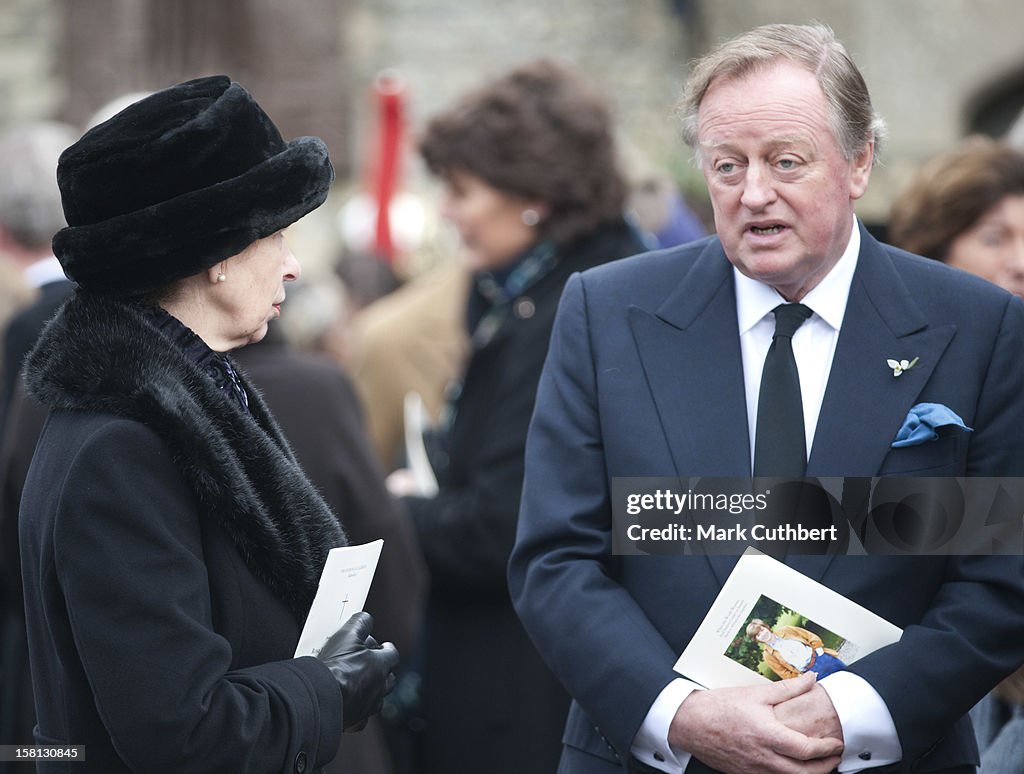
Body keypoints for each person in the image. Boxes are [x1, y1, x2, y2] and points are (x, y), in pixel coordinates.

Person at [508, 23, 1024, 774]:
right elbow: (557, 558)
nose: (754, 194)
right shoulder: (608, 313)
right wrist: (680, 712)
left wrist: (853, 710)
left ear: (858, 163)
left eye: (786, 162)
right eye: (727, 166)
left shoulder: (978, 326)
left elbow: (999, 574)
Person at [18, 76, 399, 773]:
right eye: (277, 235)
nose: (292, 267)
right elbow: (178, 728)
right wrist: (325, 690)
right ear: (218, 256)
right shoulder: (123, 447)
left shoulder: (175, 400)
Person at [384, 58, 649, 774]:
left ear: (532, 193)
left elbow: (504, 528)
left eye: (462, 189)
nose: (447, 209)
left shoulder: (570, 311)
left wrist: (396, 514)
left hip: (525, 698)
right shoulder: (527, 293)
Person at [888, 134, 1024, 774]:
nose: (1020, 261)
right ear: (934, 253)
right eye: (994, 238)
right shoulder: (886, 374)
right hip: (932, 667)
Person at [743, 620, 845, 681]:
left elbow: (809, 636)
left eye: (761, 630)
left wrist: (820, 652)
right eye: (758, 635)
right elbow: (784, 673)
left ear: (766, 627)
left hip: (822, 658)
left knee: (848, 674)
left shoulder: (786, 630)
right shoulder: (768, 655)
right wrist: (803, 677)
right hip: (811, 673)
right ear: (756, 640)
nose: (763, 634)